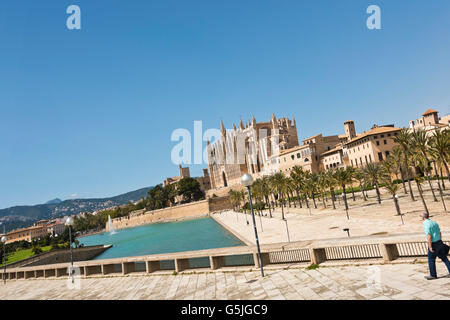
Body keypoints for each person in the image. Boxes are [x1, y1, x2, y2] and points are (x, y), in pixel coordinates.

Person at [420, 212, 450, 280]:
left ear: (423, 217)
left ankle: (433, 275)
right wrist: (440, 241)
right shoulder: (434, 222)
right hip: (439, 242)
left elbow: (429, 236)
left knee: (431, 259)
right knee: (444, 258)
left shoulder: (426, 224)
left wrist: (430, 246)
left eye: (420, 216)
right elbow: (439, 232)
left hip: (433, 244)